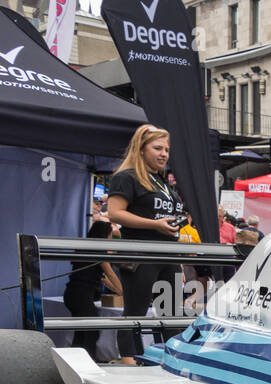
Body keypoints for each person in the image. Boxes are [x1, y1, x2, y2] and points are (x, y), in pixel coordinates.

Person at [105, 123, 185, 364]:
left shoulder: (162, 182)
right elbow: (115, 213)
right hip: (140, 254)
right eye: (158, 148)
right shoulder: (126, 177)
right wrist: (155, 225)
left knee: (171, 312)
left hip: (168, 256)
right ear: (141, 149)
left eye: (167, 150)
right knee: (136, 310)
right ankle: (129, 362)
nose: (164, 154)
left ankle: (172, 359)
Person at [64, 219, 123, 357]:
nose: (110, 239)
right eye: (109, 236)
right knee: (91, 332)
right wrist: (123, 291)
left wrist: (117, 290)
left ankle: (75, 362)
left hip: (72, 294)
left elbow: (102, 278)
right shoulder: (98, 250)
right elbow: (110, 274)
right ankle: (89, 362)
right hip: (82, 295)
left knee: (80, 332)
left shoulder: (84, 247)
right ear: (104, 235)